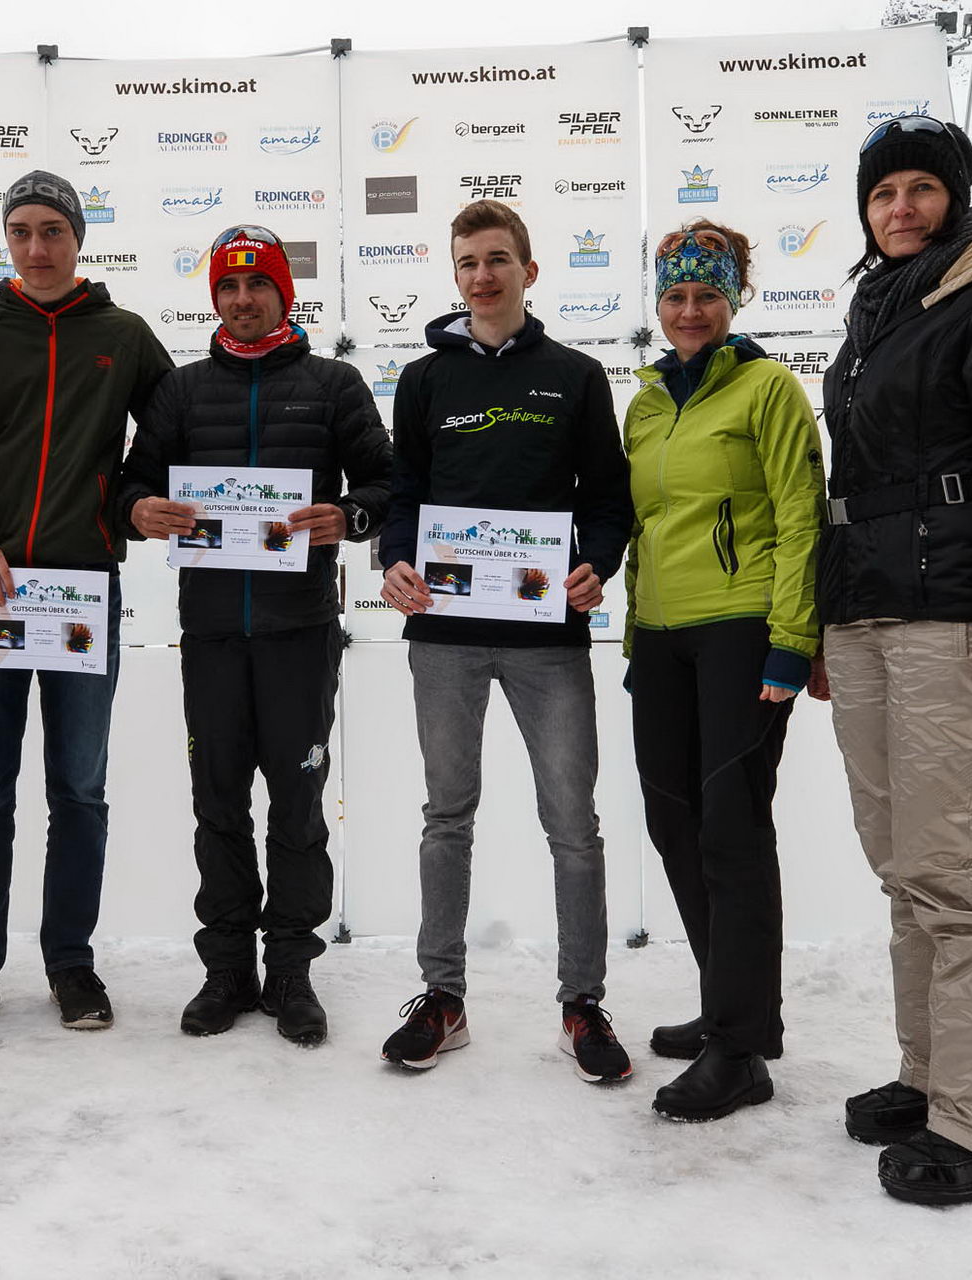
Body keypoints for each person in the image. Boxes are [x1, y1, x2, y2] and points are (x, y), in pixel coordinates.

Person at [812, 115, 972, 1204]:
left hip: (953, 619)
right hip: (870, 618)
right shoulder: (873, 308)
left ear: (954, 198)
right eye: (885, 194)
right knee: (902, 863)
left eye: (923, 189)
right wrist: (832, 621)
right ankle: (933, 1080)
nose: (902, 208)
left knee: (954, 876)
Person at [0, 170, 173, 1043]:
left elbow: (174, 438)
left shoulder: (124, 336)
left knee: (79, 792)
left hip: (82, 591)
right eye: (20, 230)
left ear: (78, 237)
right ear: (5, 240)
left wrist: (129, 503)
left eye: (52, 229)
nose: (36, 246)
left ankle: (71, 964)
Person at [375, 200, 635, 1083]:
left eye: (497, 259)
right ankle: (441, 998)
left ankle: (582, 1004)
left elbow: (607, 499)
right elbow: (403, 488)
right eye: (467, 263)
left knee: (573, 824)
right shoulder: (423, 380)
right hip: (444, 635)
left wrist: (597, 563)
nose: (482, 276)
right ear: (455, 277)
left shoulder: (575, 375)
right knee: (447, 816)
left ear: (529, 269)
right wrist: (397, 561)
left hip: (546, 637)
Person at [118, 225, 391, 1045]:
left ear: (283, 295)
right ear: (215, 299)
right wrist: (137, 510)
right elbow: (132, 481)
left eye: (258, 286)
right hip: (209, 634)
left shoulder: (333, 384)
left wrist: (349, 516)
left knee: (299, 806)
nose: (243, 301)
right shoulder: (181, 390)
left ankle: (293, 971)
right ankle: (227, 968)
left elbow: (385, 480)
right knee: (218, 804)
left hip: (300, 633)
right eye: (229, 288)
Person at [623, 221, 824, 1121]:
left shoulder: (769, 388)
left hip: (743, 630)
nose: (691, 310)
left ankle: (743, 1050)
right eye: (676, 296)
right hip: (660, 638)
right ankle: (724, 1005)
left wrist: (792, 641)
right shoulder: (648, 402)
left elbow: (800, 514)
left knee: (731, 835)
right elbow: (643, 527)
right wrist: (633, 629)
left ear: (732, 301)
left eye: (707, 295)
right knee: (675, 828)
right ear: (660, 305)